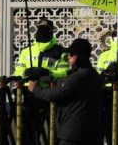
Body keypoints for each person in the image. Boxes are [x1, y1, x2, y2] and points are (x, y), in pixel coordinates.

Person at [29, 38, 103, 145]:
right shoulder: (94, 75)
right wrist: (52, 78)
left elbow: (58, 94)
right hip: (91, 132)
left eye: (71, 54)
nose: (68, 56)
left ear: (77, 56)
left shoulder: (78, 77)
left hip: (73, 132)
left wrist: (35, 89)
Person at [13, 16, 70, 144]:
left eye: (46, 30)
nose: (42, 32)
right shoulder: (26, 51)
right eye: (40, 29)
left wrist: (48, 73)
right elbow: (17, 71)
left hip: (50, 93)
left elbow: (64, 73)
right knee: (28, 131)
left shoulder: (60, 52)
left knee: (53, 132)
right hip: (30, 93)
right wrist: (25, 73)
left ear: (52, 32)